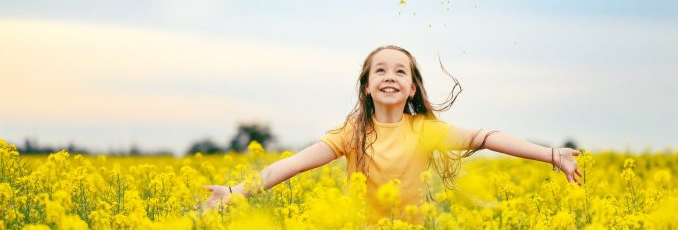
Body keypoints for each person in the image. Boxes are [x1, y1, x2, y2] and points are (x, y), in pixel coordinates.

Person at [204, 45, 582, 224]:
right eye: (380, 71)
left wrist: (552, 154)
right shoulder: (351, 132)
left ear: (413, 89)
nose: (390, 76)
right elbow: (291, 166)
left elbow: (485, 137)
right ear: (366, 87)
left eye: (400, 72)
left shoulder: (424, 131)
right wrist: (236, 192)